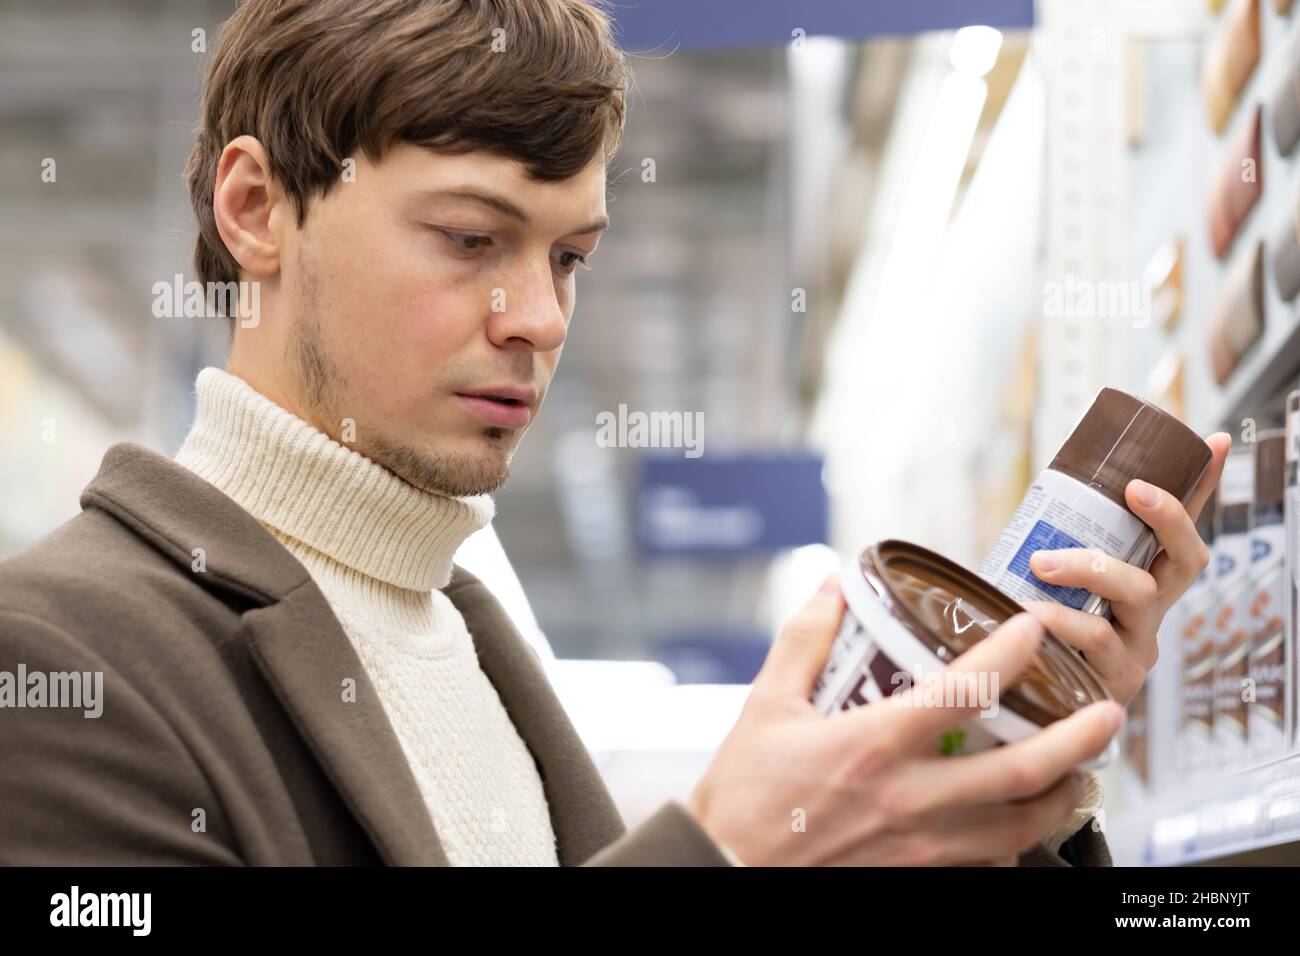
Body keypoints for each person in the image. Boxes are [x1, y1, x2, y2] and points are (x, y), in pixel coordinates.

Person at [0, 0, 1227, 866]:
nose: (537, 318)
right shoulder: (61, 657)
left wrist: (1012, 769)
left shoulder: (472, 635)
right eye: (472, 239)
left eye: (571, 257)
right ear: (258, 208)